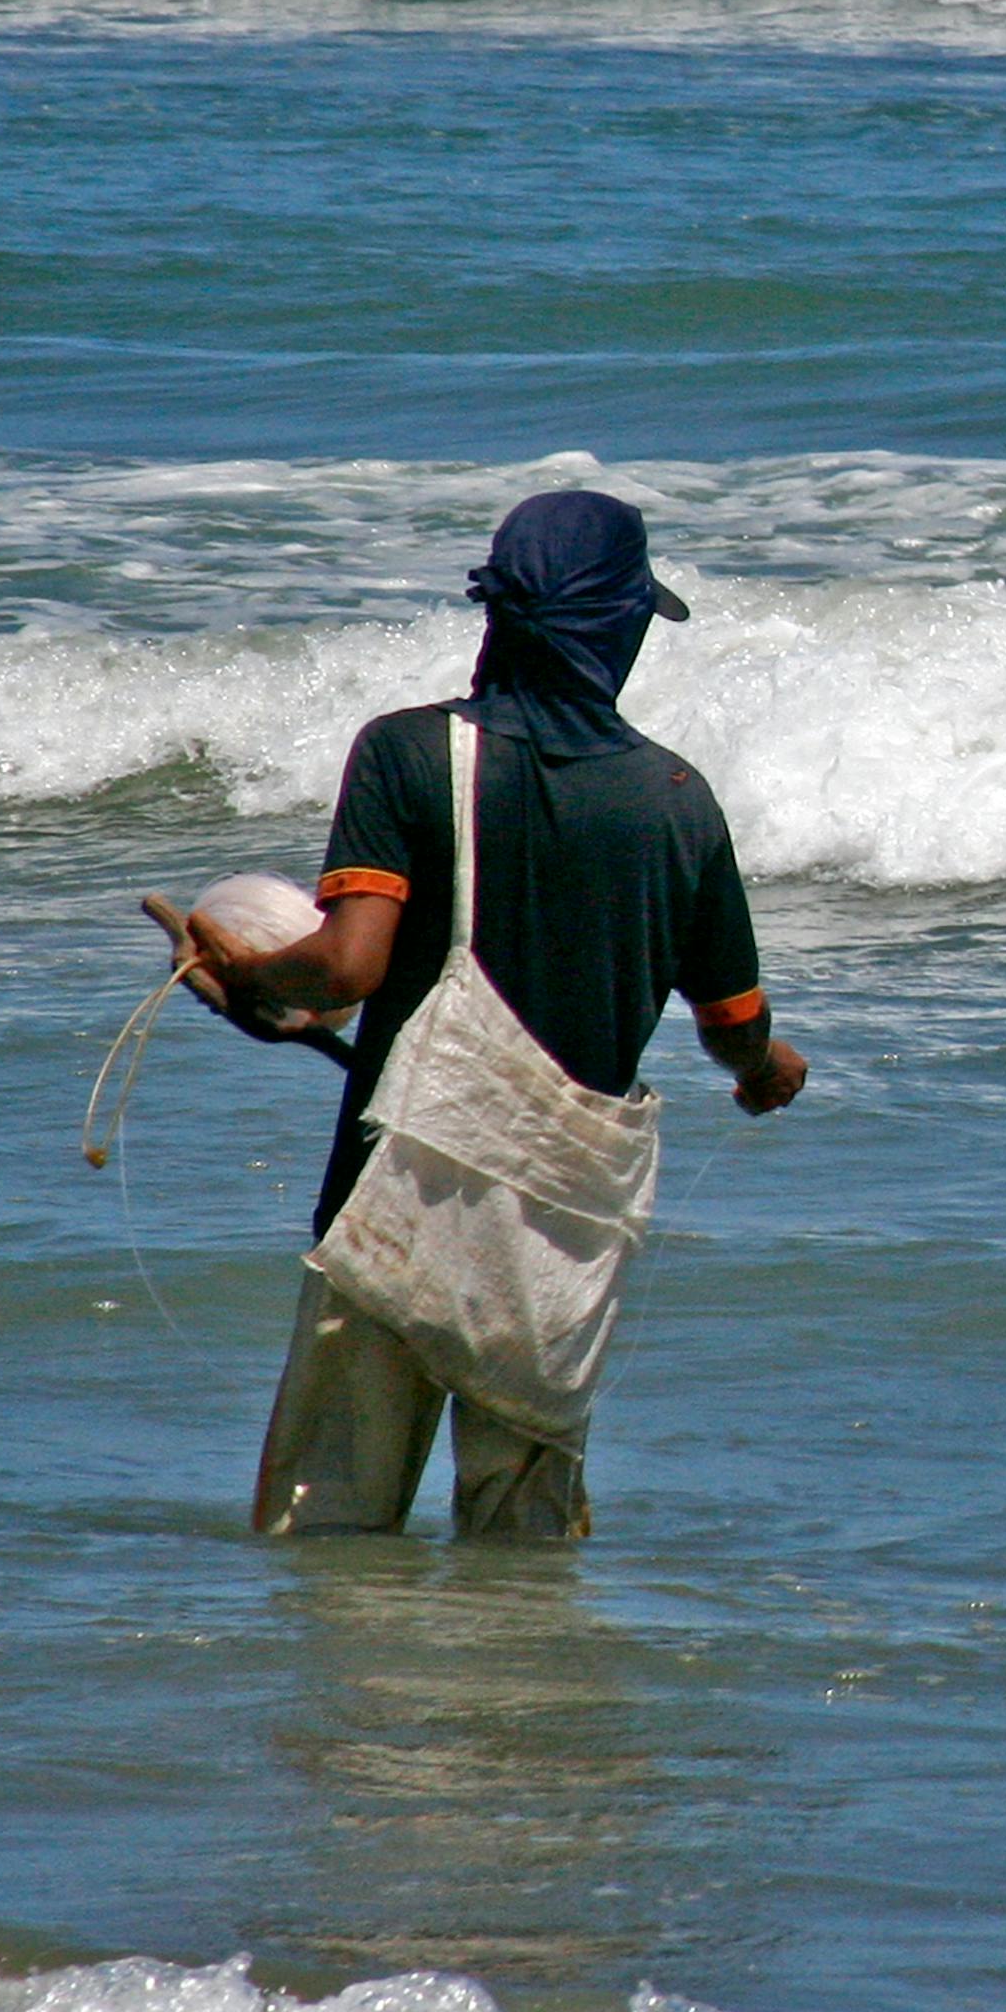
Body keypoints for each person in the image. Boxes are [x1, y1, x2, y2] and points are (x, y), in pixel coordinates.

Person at [152, 490, 806, 1541]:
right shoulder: (679, 800)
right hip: (559, 1224)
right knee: (523, 1554)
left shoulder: (410, 756)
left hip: (389, 1207)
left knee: (327, 1536)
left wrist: (250, 976)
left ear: (496, 617)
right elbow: (731, 1023)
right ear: (619, 627)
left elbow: (347, 967)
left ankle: (346, 1708)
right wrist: (766, 1071)